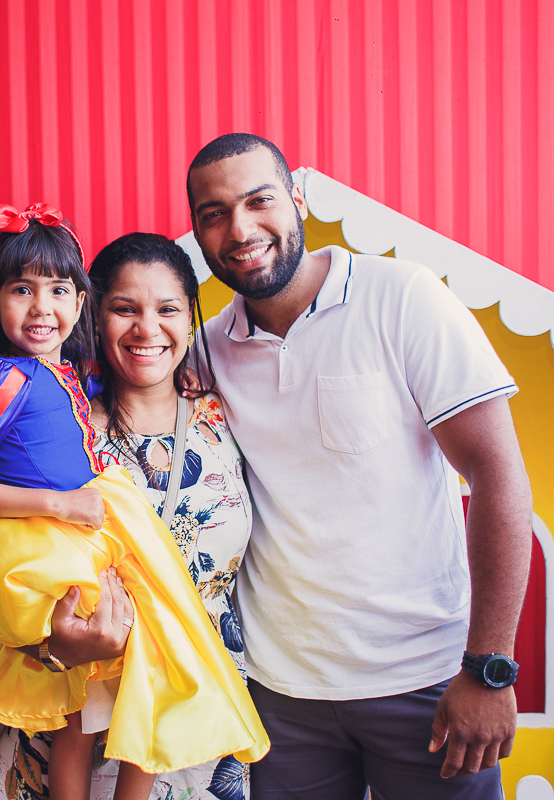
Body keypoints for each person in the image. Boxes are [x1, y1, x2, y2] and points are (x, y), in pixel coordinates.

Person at [186, 133, 534, 799]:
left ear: (297, 199)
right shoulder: (204, 352)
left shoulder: (403, 297)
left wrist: (490, 666)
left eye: (259, 201)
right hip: (280, 696)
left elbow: (497, 473)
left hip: (428, 682)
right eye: (214, 214)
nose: (240, 228)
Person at [0, 205, 267, 800]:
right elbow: (5, 562)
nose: (147, 330)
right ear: (96, 313)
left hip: (186, 714)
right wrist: (59, 648)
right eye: (125, 309)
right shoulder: (62, 418)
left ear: (191, 319)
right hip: (58, 708)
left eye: (168, 310)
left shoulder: (226, 408)